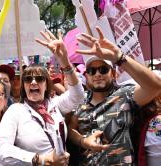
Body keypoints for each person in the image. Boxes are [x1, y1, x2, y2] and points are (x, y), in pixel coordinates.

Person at [68, 26, 161, 165]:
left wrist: (119, 57)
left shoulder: (125, 95)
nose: (98, 74)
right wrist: (83, 141)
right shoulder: (80, 105)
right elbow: (70, 129)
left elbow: (155, 86)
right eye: (92, 71)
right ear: (86, 76)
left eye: (103, 69)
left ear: (113, 73)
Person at [0, 30, 85, 166]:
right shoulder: (16, 111)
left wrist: (64, 61)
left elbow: (78, 96)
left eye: (39, 78)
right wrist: (41, 160)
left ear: (46, 85)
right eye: (28, 79)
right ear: (24, 86)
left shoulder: (54, 105)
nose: (33, 82)